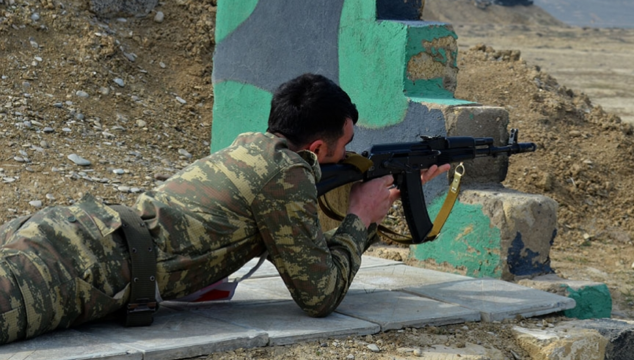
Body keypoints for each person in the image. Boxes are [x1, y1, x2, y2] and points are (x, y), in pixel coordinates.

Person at [0, 73, 449, 344]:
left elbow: (306, 252)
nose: (352, 157)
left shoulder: (251, 150)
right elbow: (319, 294)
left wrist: (374, 209)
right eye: (346, 147)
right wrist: (361, 216)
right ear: (316, 147)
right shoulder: (287, 176)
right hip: (78, 268)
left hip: (71, 234)